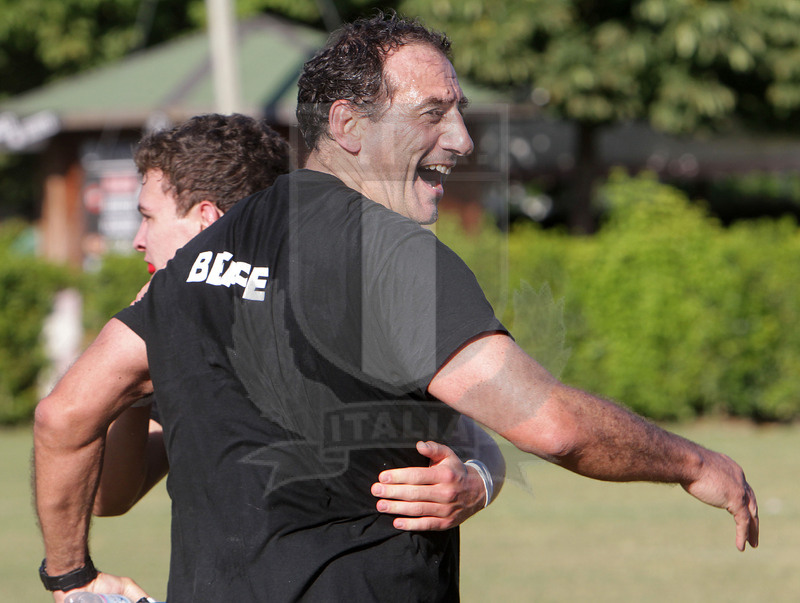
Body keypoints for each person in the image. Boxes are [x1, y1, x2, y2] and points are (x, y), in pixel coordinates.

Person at [34, 12, 758, 603]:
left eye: (461, 114)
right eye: (433, 114)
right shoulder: (389, 256)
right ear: (348, 125)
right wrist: (693, 461)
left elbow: (65, 416)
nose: (462, 140)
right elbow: (553, 423)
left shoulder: (197, 260)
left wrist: (70, 575)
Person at [94, 113, 503, 524]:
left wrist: (477, 483)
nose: (138, 240)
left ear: (207, 220)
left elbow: (471, 432)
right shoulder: (195, 323)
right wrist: (138, 371)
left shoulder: (335, 294)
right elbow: (111, 498)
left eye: (148, 217)